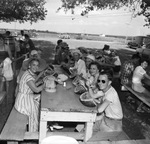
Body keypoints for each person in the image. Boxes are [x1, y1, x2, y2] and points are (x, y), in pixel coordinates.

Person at [15, 58, 45, 132]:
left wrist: (40, 82)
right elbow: (36, 90)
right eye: (33, 65)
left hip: (25, 97)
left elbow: (31, 85)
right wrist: (45, 84)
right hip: (23, 101)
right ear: (29, 65)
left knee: (39, 103)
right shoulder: (28, 76)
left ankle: (40, 126)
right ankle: (34, 132)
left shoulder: (28, 73)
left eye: (37, 65)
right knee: (35, 112)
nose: (35, 67)